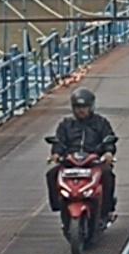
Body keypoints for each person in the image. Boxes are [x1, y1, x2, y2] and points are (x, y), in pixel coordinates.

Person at [45, 88, 117, 220]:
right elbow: (59, 141)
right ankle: (59, 205)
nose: (81, 110)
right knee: (51, 174)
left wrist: (108, 152)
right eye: (77, 107)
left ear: (91, 107)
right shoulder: (66, 124)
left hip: (93, 161)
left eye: (84, 107)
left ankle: (107, 210)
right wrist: (56, 154)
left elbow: (108, 139)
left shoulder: (101, 123)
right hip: (71, 161)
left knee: (107, 174)